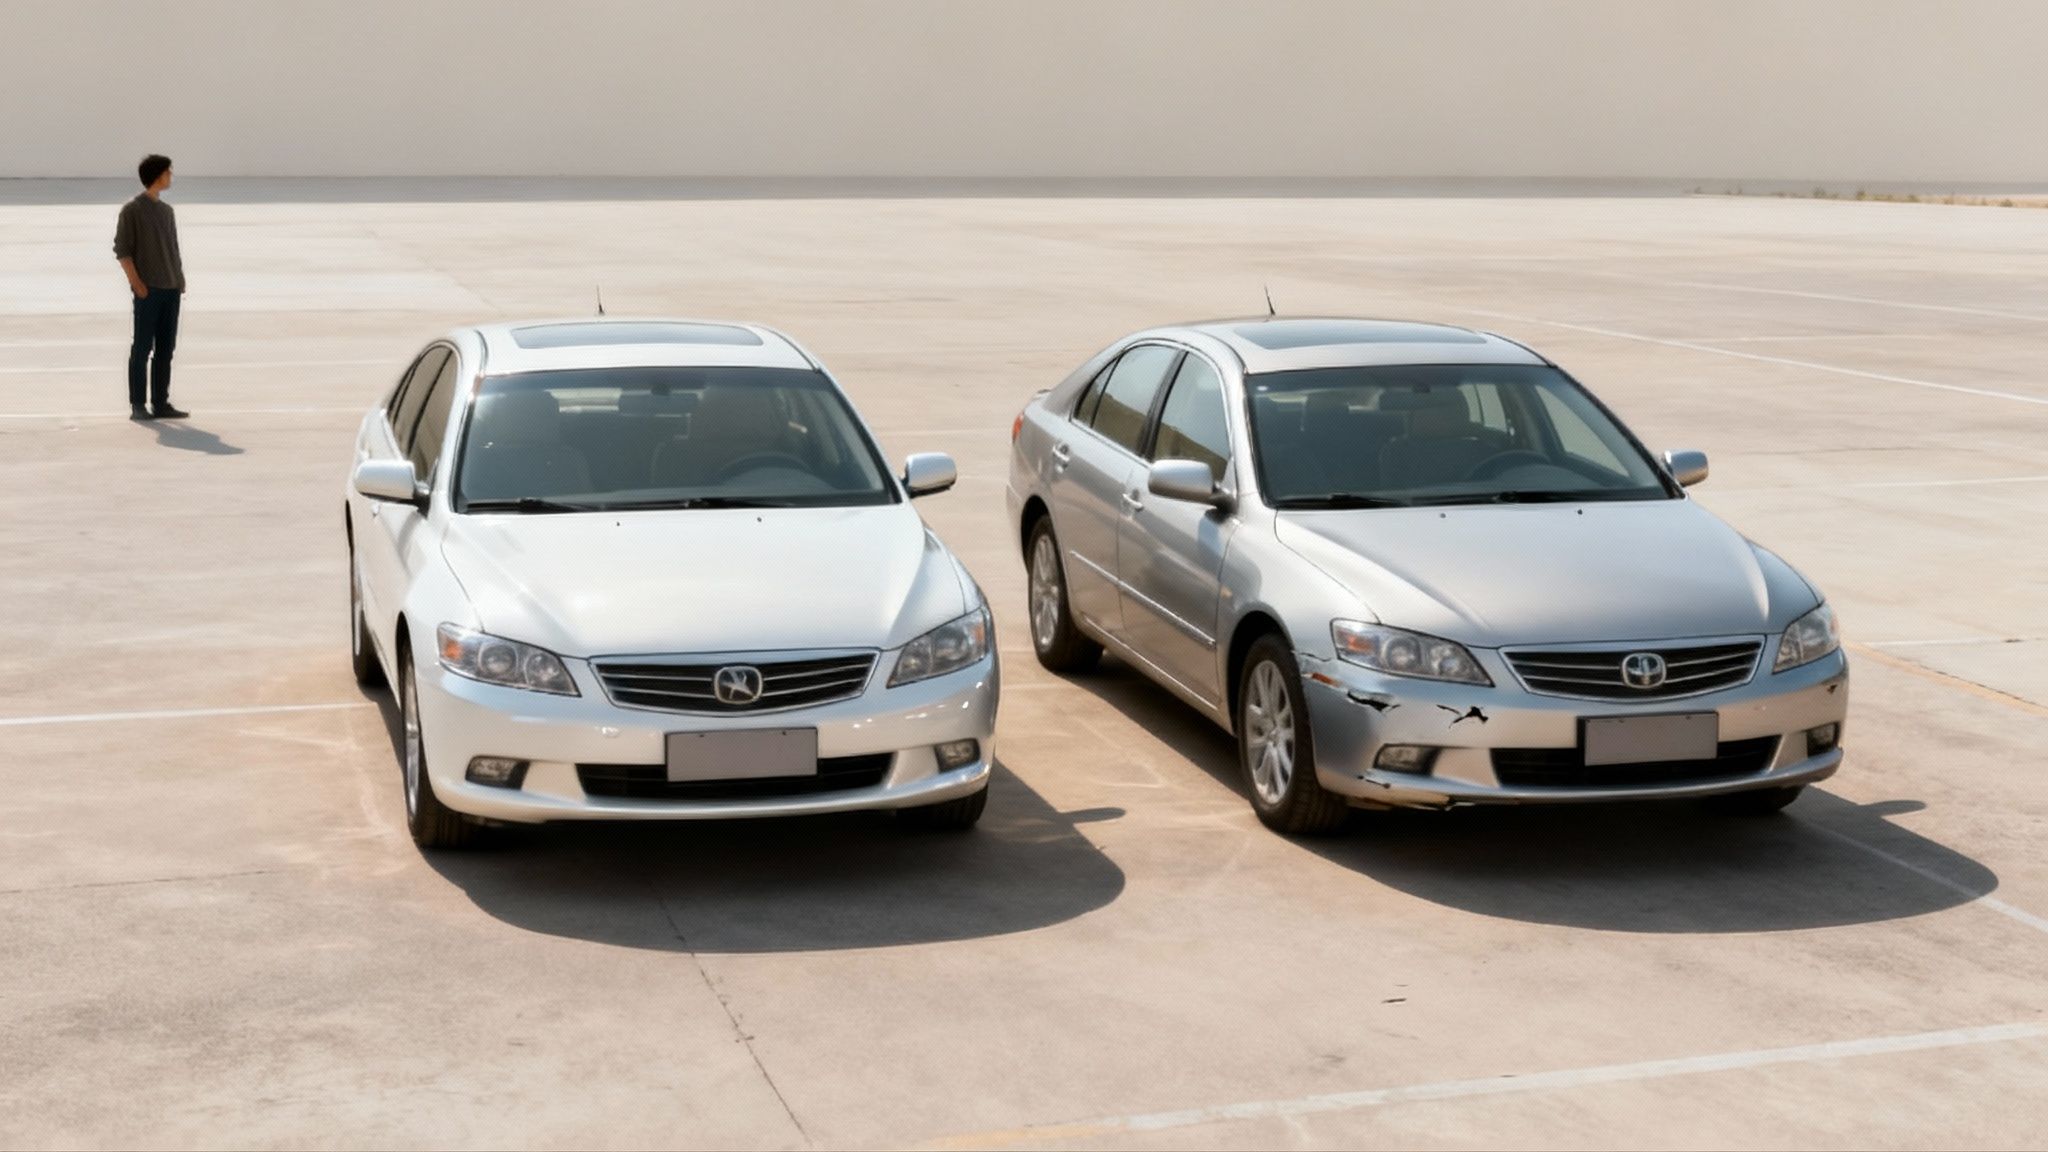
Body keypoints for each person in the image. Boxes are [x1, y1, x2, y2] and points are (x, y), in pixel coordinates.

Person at [112, 154, 189, 421]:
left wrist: (179, 279)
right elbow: (123, 251)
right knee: (142, 348)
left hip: (170, 290)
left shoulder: (167, 211)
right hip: (149, 291)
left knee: (166, 349)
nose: (171, 176)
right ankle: (138, 405)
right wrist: (138, 285)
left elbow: (174, 249)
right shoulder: (132, 210)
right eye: (169, 172)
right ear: (158, 176)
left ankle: (161, 402)